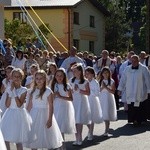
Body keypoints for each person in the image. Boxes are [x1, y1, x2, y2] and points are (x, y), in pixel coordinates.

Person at [26, 70, 63, 149]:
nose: (39, 80)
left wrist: (50, 119)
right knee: (34, 135)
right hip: (34, 114)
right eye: (37, 78)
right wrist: (26, 116)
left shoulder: (48, 91)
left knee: (47, 136)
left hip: (45, 114)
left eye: (41, 78)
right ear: (34, 79)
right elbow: (30, 104)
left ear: (45, 79)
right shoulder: (32, 91)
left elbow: (51, 105)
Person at [1, 68, 32, 150]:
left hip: (19, 114)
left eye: (18, 76)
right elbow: (7, 105)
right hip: (9, 113)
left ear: (21, 78)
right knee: (6, 138)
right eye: (14, 76)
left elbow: (19, 104)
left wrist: (14, 91)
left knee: (18, 140)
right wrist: (10, 92)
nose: (16, 78)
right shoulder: (8, 89)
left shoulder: (24, 90)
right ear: (11, 77)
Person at [118, 55, 150, 125]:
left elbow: (147, 80)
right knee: (131, 106)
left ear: (138, 61)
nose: (133, 62)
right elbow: (123, 80)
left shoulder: (144, 69)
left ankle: (138, 120)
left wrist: (148, 91)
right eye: (132, 61)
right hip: (130, 91)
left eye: (135, 61)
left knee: (139, 106)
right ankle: (132, 119)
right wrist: (120, 89)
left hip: (140, 91)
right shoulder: (127, 69)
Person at [51, 68, 76, 148]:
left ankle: (63, 146)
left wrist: (61, 96)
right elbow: (51, 97)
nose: (59, 77)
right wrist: (54, 95)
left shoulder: (67, 86)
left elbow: (71, 98)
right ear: (55, 76)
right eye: (57, 76)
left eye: (61, 76)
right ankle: (58, 145)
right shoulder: (53, 85)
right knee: (56, 127)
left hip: (64, 107)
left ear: (64, 76)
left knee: (60, 127)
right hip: (55, 106)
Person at [70, 64, 91, 146]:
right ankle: (77, 138)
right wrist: (72, 90)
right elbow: (70, 90)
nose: (73, 72)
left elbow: (88, 93)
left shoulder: (85, 81)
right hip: (74, 101)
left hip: (81, 102)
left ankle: (80, 138)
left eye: (75, 71)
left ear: (79, 71)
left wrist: (79, 90)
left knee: (79, 120)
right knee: (75, 120)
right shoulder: (71, 80)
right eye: (73, 71)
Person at [85, 67, 103, 141]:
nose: (86, 75)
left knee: (91, 117)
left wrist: (89, 92)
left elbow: (97, 93)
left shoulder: (95, 82)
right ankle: (90, 129)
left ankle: (91, 132)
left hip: (92, 100)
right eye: (85, 74)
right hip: (85, 100)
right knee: (85, 117)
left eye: (88, 74)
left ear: (92, 74)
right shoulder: (85, 81)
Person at [99, 67, 117, 136]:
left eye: (107, 73)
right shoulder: (101, 81)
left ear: (109, 73)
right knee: (102, 112)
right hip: (102, 97)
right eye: (104, 73)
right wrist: (102, 87)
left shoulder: (112, 81)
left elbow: (113, 91)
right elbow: (98, 90)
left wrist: (106, 87)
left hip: (108, 98)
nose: (105, 74)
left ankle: (106, 130)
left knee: (107, 113)